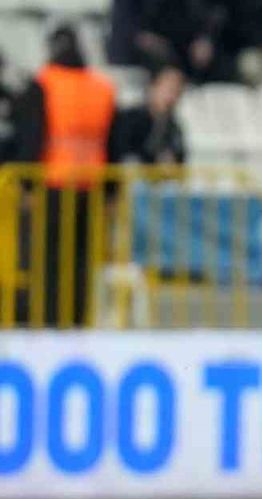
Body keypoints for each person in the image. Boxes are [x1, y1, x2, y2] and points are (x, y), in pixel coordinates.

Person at [13, 24, 118, 327]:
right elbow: (113, 143)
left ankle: (49, 322)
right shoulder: (102, 88)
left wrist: (26, 186)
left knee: (47, 260)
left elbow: (32, 138)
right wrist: (111, 191)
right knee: (82, 260)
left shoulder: (44, 84)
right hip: (91, 185)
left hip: (52, 183)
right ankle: (77, 321)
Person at [111, 66, 187, 165]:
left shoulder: (173, 127)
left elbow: (179, 156)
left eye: (177, 92)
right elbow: (120, 151)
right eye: (168, 90)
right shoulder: (129, 118)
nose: (171, 97)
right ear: (152, 88)